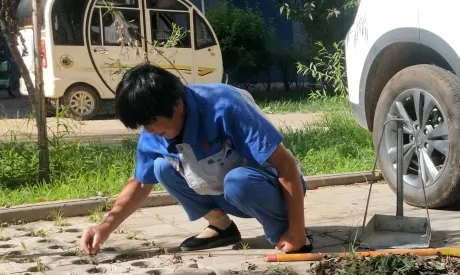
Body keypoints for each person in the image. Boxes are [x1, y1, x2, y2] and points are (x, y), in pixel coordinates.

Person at [79, 64, 310, 257]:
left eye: (152, 123)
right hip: (226, 192)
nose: (149, 130)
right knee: (161, 167)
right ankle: (222, 228)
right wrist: (105, 227)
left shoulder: (224, 104)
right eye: (144, 126)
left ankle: (287, 233)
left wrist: (297, 231)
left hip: (270, 189)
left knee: (238, 181)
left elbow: (286, 165)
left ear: (177, 104)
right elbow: (140, 183)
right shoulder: (154, 130)